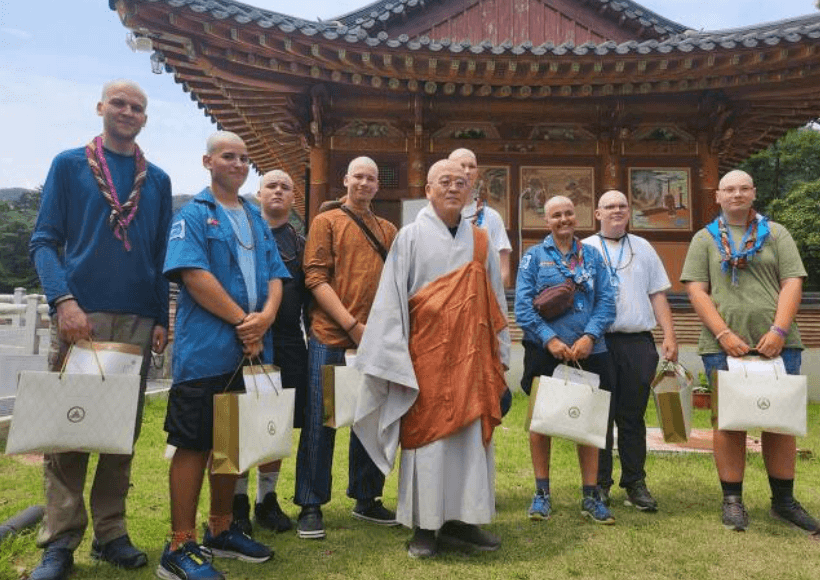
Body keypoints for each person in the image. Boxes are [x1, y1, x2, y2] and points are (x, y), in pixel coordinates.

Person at [28, 79, 171, 580]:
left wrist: (160, 318)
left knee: (119, 433)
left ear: (145, 118)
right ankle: (60, 540)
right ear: (100, 108)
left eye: (137, 107)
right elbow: (44, 241)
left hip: (135, 319)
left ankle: (111, 533)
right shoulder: (69, 165)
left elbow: (158, 255)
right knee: (66, 427)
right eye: (120, 103)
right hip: (80, 317)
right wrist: (63, 300)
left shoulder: (155, 179)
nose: (128, 112)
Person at [354, 159, 510, 558]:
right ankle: (425, 526)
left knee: (469, 442)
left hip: (472, 358)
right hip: (425, 358)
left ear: (470, 190)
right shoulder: (409, 237)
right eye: (445, 182)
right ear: (428, 190)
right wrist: (392, 361)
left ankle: (463, 520)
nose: (454, 188)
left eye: (461, 182)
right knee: (428, 442)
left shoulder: (480, 241)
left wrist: (501, 356)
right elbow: (390, 303)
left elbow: (495, 303)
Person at [159, 131, 291, 580]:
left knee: (230, 444)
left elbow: (276, 274)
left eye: (243, 158)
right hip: (208, 350)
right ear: (207, 161)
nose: (237, 164)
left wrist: (266, 318)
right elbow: (192, 273)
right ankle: (179, 543)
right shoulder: (194, 214)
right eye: (228, 156)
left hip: (253, 347)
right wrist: (243, 321)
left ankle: (220, 528)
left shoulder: (254, 217)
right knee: (194, 443)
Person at [681, 169, 819, 534]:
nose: (737, 194)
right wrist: (723, 333)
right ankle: (732, 500)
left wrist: (779, 330)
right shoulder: (704, 239)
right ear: (718, 197)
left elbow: (793, 282)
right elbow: (696, 290)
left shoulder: (777, 234)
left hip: (778, 345)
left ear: (753, 193)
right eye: (729, 189)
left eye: (743, 188)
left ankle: (784, 501)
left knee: (779, 420)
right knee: (729, 422)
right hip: (722, 346)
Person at [295, 156, 399, 539]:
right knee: (322, 420)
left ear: (377, 186)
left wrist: (379, 331)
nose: (365, 183)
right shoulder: (327, 222)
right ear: (345, 179)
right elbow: (315, 278)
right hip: (331, 335)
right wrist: (353, 325)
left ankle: (367, 497)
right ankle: (310, 502)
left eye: (372, 178)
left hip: (374, 340)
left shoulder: (387, 229)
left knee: (370, 418)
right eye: (359, 176)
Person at [514, 195, 616, 525]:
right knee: (541, 422)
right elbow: (523, 308)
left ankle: (591, 494)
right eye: (556, 215)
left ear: (577, 217)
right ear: (547, 221)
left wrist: (589, 336)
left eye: (568, 213)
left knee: (588, 422)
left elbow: (607, 302)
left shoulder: (594, 257)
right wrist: (550, 339)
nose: (563, 219)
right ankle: (541, 493)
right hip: (545, 352)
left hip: (590, 351)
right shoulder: (533, 258)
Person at [583, 190, 678, 512]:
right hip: (598, 343)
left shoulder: (644, 248)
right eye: (609, 206)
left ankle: (635, 482)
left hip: (638, 341)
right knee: (599, 417)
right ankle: (598, 484)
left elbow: (658, 295)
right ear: (597, 213)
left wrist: (670, 335)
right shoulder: (585, 249)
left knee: (632, 416)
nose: (617, 211)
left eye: (622, 206)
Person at [232, 170, 308, 534]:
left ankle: (267, 499)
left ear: (294, 198)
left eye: (285, 187)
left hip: (289, 341)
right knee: (241, 421)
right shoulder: (242, 233)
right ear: (258, 193)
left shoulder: (300, 243)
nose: (278, 191)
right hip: (244, 337)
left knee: (274, 423)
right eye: (271, 186)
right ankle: (236, 499)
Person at [448, 148, 513, 287]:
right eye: (461, 165)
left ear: (477, 173)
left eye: (471, 167)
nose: (466, 171)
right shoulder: (436, 215)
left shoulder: (492, 217)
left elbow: (504, 272)